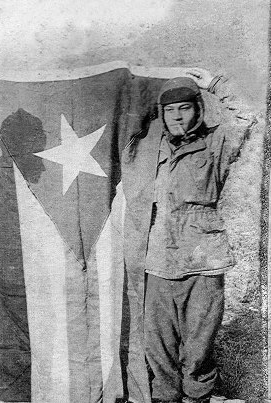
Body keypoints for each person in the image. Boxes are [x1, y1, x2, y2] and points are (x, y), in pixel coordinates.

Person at [121, 68, 256, 403]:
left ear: (198, 108)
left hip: (203, 261)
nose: (177, 115)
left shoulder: (215, 144)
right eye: (169, 109)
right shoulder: (147, 149)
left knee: (197, 351)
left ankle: (198, 399)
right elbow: (123, 124)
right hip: (157, 262)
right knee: (158, 350)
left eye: (185, 107)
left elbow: (247, 114)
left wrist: (215, 83)